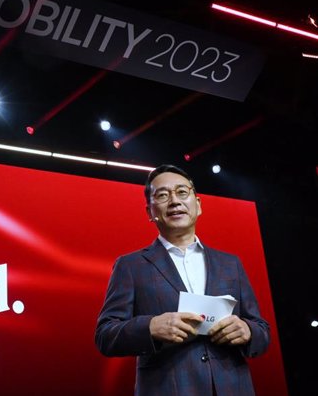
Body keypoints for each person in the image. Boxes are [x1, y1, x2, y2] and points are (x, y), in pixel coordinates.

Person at [94, 164, 270, 396]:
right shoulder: (130, 265)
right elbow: (105, 335)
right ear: (150, 212)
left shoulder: (230, 264)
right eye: (163, 195)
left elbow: (261, 330)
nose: (174, 201)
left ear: (198, 205)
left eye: (182, 192)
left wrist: (247, 331)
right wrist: (151, 327)